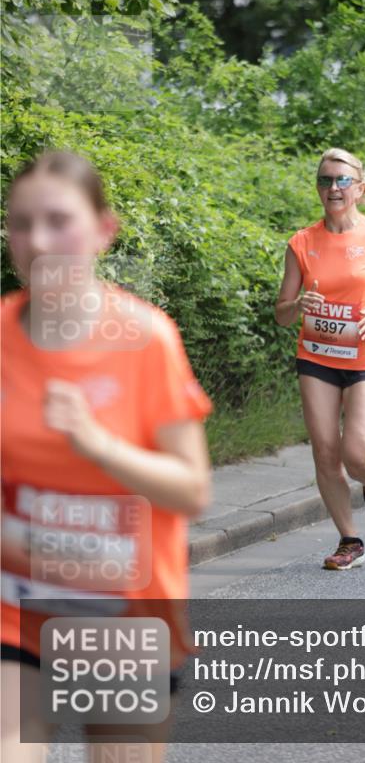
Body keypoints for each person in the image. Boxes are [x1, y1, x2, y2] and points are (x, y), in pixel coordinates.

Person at [1, 150, 213, 763]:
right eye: (19, 222)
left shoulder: (146, 339)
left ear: (103, 230)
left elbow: (191, 489)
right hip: (18, 613)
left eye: (59, 221)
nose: (38, 241)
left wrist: (97, 444)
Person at [275, 148, 365, 570]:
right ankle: (348, 540)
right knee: (325, 451)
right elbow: (282, 314)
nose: (333, 188)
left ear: (357, 188)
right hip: (316, 356)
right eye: (325, 180)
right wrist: (298, 303)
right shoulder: (302, 242)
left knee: (356, 452)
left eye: (341, 181)